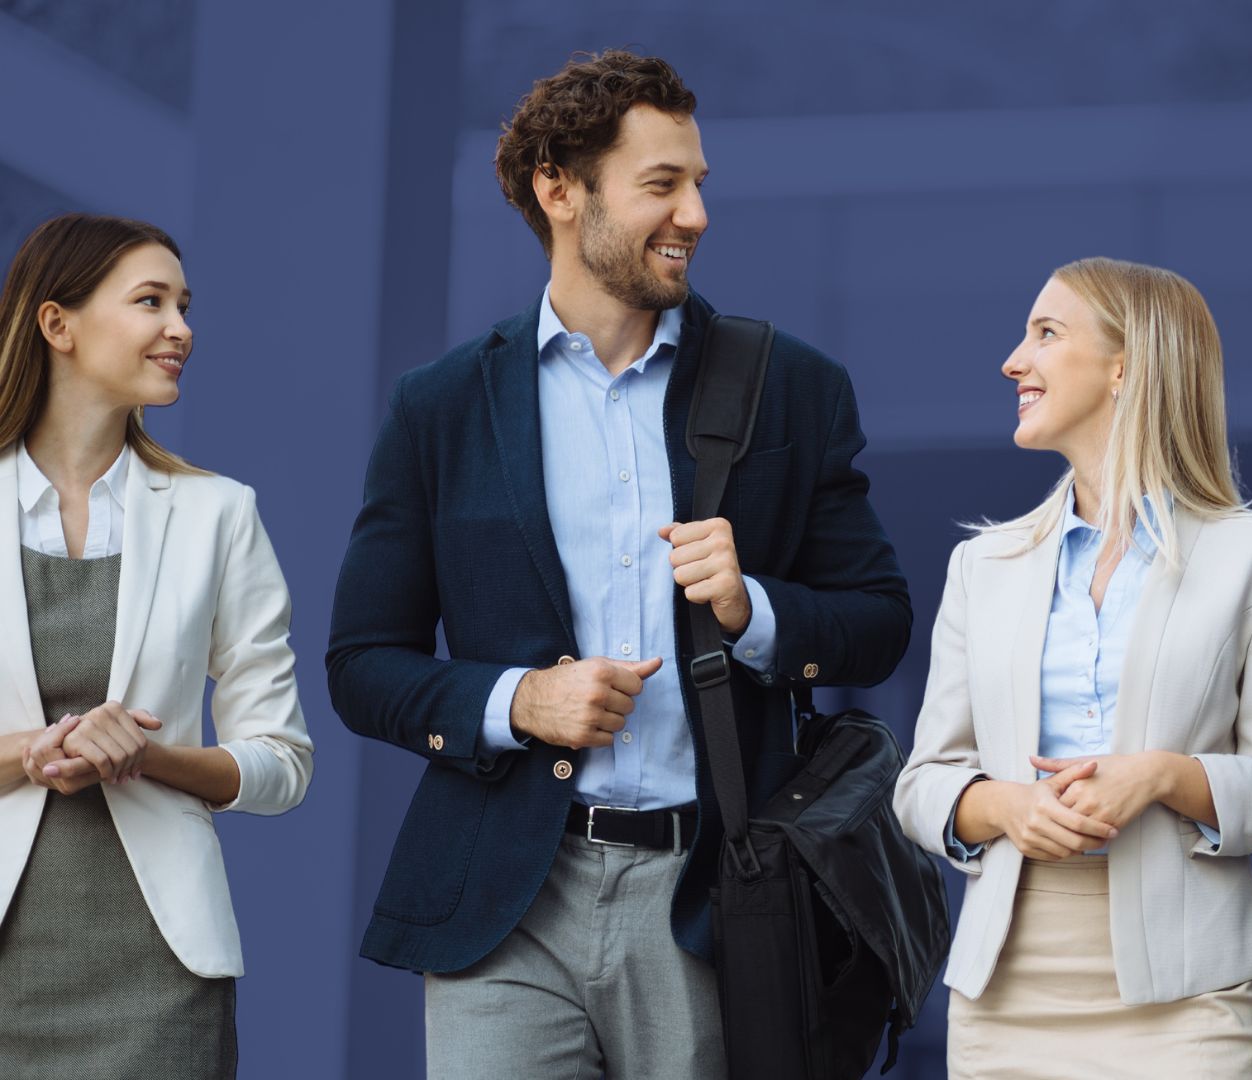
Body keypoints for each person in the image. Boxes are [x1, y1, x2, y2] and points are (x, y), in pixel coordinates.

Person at [326, 51, 911, 1080]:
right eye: (661, 185)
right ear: (560, 190)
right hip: (505, 904)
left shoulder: (793, 388)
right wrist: (520, 702)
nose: (694, 213)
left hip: (711, 896)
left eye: (698, 184)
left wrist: (753, 610)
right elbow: (363, 664)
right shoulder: (443, 405)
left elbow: (877, 620)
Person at [894, 256, 1252, 1078]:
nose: (1012, 361)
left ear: (1127, 367)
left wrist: (1163, 776)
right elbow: (923, 784)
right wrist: (1007, 807)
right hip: (1007, 989)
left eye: (1046, 334)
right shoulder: (981, 567)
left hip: (1190, 991)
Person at [0, 213, 314, 1079]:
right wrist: (38, 750)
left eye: (184, 305)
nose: (181, 329)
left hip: (161, 978)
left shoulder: (220, 514)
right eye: (150, 302)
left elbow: (281, 763)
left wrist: (148, 756)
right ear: (56, 324)